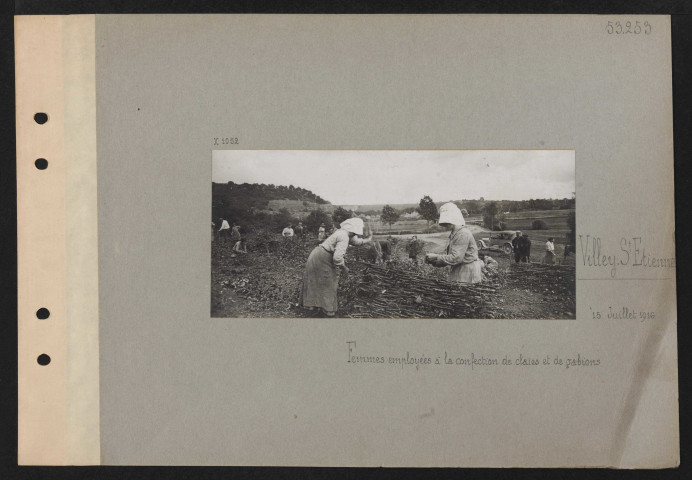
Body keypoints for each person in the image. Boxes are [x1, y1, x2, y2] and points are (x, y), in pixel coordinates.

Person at [302, 217, 373, 317]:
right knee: (329, 283)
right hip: (322, 258)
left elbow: (355, 241)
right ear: (353, 230)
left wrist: (367, 240)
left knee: (317, 281)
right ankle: (328, 311)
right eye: (356, 233)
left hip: (317, 255)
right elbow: (337, 258)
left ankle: (314, 308)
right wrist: (344, 268)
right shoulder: (344, 236)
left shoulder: (343, 232)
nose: (356, 235)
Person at [424, 203, 484, 283]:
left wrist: (436, 257)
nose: (446, 225)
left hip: (467, 270)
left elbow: (456, 258)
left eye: (448, 222)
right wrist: (434, 261)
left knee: (463, 292)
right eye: (445, 223)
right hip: (460, 268)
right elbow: (451, 257)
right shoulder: (455, 233)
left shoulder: (462, 233)